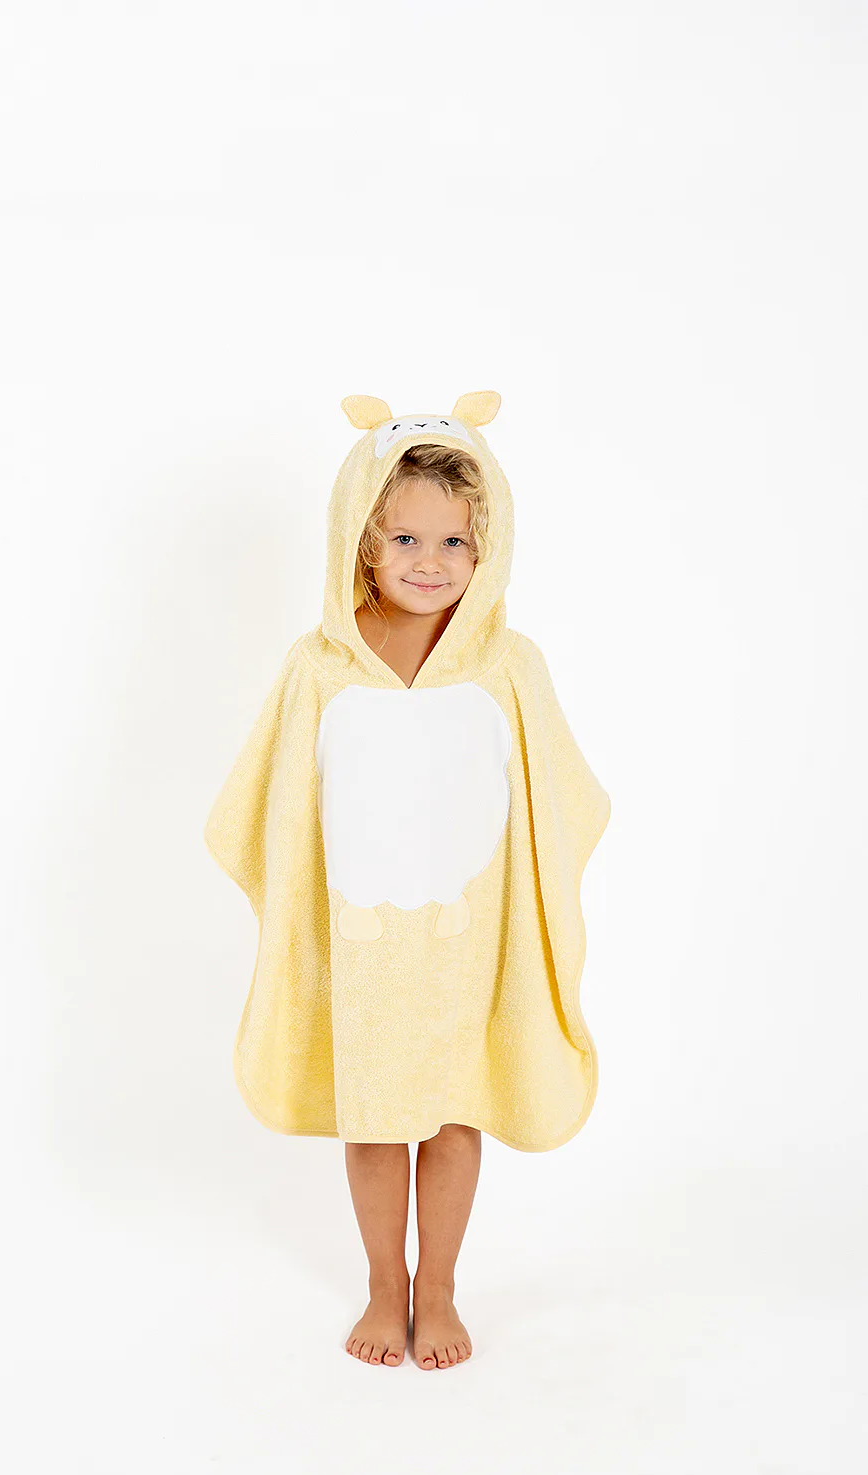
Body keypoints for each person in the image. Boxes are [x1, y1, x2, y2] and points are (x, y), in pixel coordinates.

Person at [204, 391, 611, 1372]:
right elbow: (270, 800)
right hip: (364, 947)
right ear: (363, 542)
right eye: (405, 539)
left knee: (455, 1113)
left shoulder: (509, 666)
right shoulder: (319, 666)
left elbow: (560, 797)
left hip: (468, 943)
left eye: (455, 542)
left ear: (487, 547)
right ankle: (386, 1284)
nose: (431, 562)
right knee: (378, 1117)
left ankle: (441, 1287)